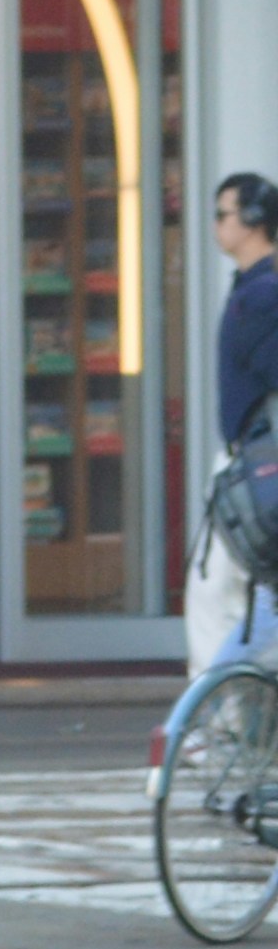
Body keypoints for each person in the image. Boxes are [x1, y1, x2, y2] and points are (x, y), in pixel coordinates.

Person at [195, 173, 278, 676]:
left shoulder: (259, 296)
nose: (215, 225)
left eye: (222, 214)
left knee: (214, 594)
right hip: (257, 462)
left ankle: (211, 722)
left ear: (252, 221)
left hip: (254, 466)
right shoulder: (256, 289)